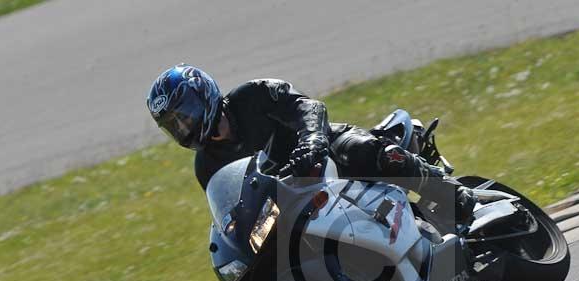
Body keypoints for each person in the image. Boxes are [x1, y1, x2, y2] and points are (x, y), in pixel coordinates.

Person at [146, 64, 477, 222]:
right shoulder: (207, 165)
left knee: (371, 153)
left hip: (326, 151)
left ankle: (449, 190)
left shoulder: (253, 95)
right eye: (173, 125)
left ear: (203, 96)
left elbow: (308, 107)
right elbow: (232, 211)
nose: (183, 127)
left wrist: (313, 140)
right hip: (295, 200)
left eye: (184, 115)